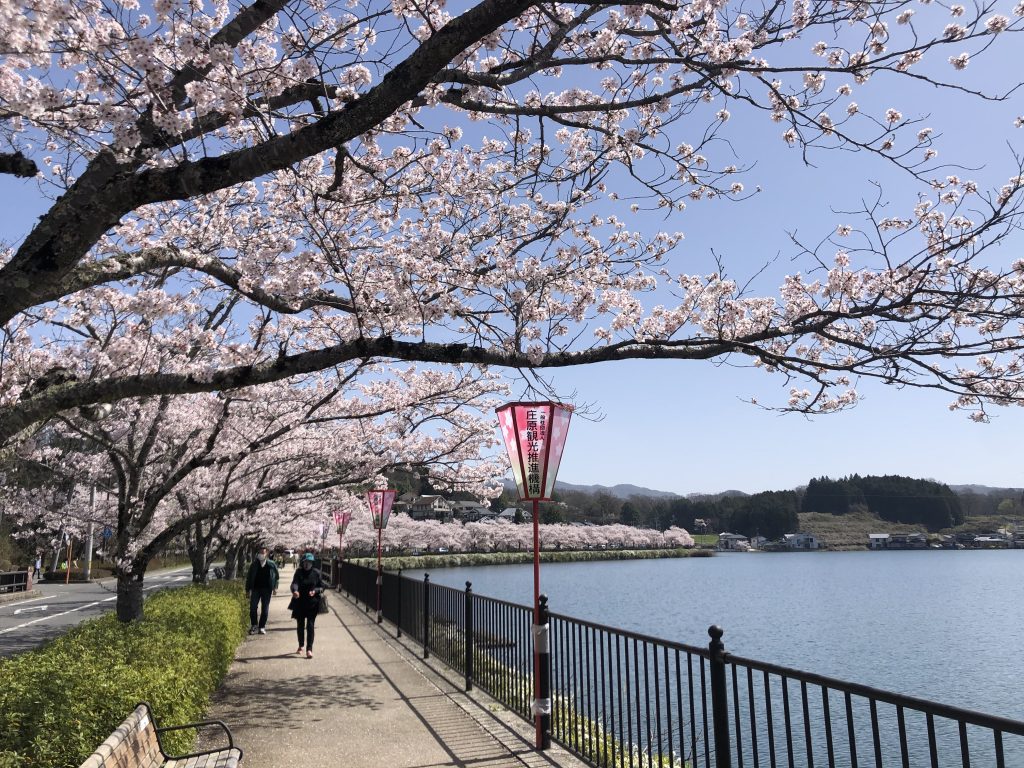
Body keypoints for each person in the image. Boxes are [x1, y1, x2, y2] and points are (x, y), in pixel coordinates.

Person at [289, 552, 325, 658]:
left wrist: (315, 591)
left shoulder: (316, 573)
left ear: (312, 563)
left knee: (310, 625)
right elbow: (294, 583)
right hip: (299, 601)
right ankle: (301, 645)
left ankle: (309, 649)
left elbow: (322, 586)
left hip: (312, 603)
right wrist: (295, 591)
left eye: (309, 562)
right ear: (302, 562)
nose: (307, 564)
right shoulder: (299, 572)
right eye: (305, 562)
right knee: (300, 625)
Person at [245, 546, 279, 635]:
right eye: (260, 552)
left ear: (266, 553)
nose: (261, 554)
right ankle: (254, 625)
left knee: (265, 609)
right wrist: (247, 590)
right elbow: (249, 578)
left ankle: (262, 627)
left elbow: (276, 577)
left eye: (263, 552)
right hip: (255, 589)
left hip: (267, 589)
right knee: (253, 608)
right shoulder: (254, 564)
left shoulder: (271, 564)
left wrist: (275, 588)